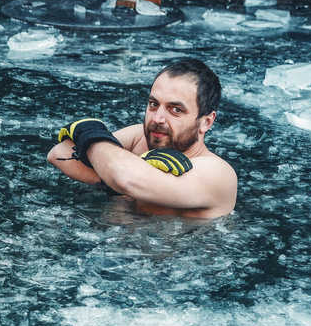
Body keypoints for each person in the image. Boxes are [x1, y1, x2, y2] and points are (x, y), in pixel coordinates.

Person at [47, 58, 237, 218]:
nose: (157, 119)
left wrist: (89, 138)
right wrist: (112, 168)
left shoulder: (218, 173)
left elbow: (125, 177)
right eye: (154, 104)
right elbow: (59, 154)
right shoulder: (141, 137)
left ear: (206, 122)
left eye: (176, 109)